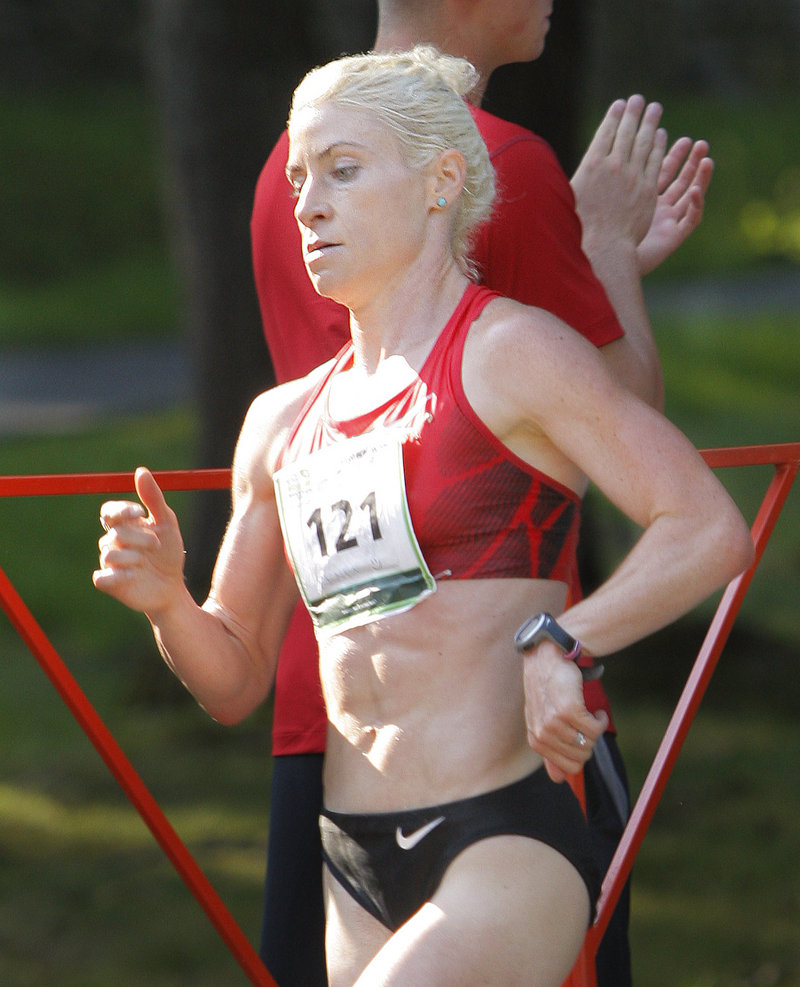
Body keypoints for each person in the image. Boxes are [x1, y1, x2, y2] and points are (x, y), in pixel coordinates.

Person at [94, 47, 753, 986]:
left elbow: (705, 527)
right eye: (297, 178)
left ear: (443, 181)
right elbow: (234, 677)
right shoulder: (280, 423)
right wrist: (167, 602)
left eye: (343, 169)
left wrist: (559, 638)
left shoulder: (513, 352)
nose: (308, 204)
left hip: (507, 828)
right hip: (351, 854)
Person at [250, 2, 715, 984]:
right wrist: (601, 250)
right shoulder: (500, 161)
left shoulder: (280, 166)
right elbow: (620, 406)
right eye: (312, 179)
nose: (314, 198)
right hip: (481, 704)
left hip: (337, 694)